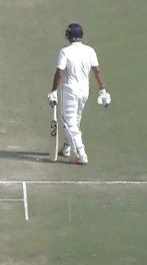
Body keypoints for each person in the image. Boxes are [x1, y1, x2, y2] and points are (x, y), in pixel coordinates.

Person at [48, 23, 111, 164]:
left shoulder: (65, 52)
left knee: (68, 122)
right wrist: (102, 89)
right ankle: (67, 147)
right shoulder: (90, 51)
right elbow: (97, 70)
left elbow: (60, 72)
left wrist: (53, 92)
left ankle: (80, 154)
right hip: (84, 91)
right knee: (75, 120)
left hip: (70, 91)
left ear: (68, 36)